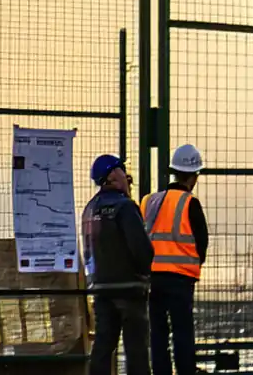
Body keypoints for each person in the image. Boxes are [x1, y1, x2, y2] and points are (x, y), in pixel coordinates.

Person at [81, 154, 154, 375]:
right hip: (129, 288)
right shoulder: (125, 207)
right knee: (136, 350)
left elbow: (87, 250)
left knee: (103, 347)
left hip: (101, 288)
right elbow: (141, 248)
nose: (127, 177)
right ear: (113, 175)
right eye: (123, 171)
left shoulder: (90, 209)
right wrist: (143, 274)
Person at [142, 144, 209, 375]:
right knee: (182, 331)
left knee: (157, 332)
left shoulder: (149, 201)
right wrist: (193, 263)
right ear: (194, 176)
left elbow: (141, 236)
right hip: (180, 278)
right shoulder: (190, 203)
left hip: (151, 278)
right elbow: (202, 243)